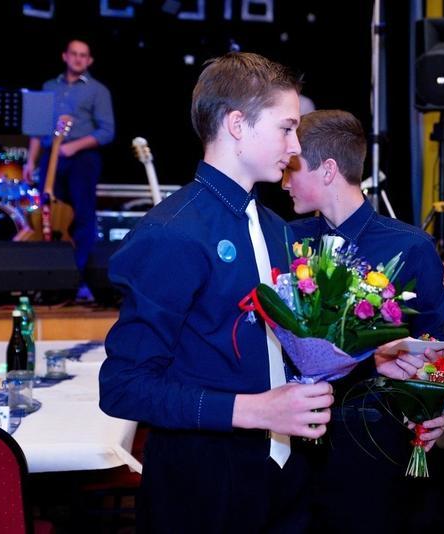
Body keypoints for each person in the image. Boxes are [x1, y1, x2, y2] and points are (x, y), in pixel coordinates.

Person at [99, 52, 335, 533]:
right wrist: (254, 410)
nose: (295, 147)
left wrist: (371, 359)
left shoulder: (277, 229)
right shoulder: (172, 233)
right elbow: (123, 386)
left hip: (285, 475)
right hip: (201, 486)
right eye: (286, 128)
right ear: (237, 125)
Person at [281, 109, 444, 532]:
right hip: (288, 443)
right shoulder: (286, 240)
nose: (283, 181)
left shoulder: (410, 248)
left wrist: (434, 407)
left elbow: (435, 351)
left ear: (327, 170)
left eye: (292, 168)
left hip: (374, 448)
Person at [22, 39, 115, 298]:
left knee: (81, 217)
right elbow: (37, 129)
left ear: (89, 60)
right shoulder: (49, 87)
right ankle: (49, 277)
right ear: (65, 56)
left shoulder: (98, 90)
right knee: (48, 215)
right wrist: (31, 161)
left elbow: (107, 131)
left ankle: (77, 278)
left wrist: (73, 147)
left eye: (83, 55)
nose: (78, 58)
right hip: (51, 158)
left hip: (82, 158)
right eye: (74, 54)